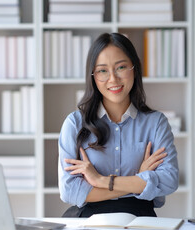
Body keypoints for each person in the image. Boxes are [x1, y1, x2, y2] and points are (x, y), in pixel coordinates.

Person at [58, 32, 179, 218]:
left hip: (141, 220)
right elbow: (70, 191)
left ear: (134, 68)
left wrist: (100, 180)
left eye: (121, 67)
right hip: (89, 220)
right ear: (93, 76)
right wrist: (139, 180)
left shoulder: (155, 123)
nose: (113, 79)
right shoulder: (75, 124)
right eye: (103, 71)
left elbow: (169, 180)